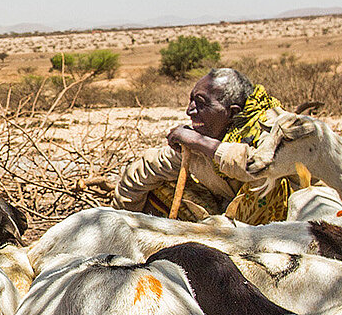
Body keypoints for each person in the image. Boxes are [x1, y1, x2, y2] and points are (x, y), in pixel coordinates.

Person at [112, 67, 301, 223]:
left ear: (232, 112)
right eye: (191, 100)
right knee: (157, 185)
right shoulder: (202, 136)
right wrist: (120, 227)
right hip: (226, 220)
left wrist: (202, 144)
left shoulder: (275, 127)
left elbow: (258, 166)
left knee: (270, 183)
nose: (189, 111)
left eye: (201, 103)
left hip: (281, 228)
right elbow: (143, 171)